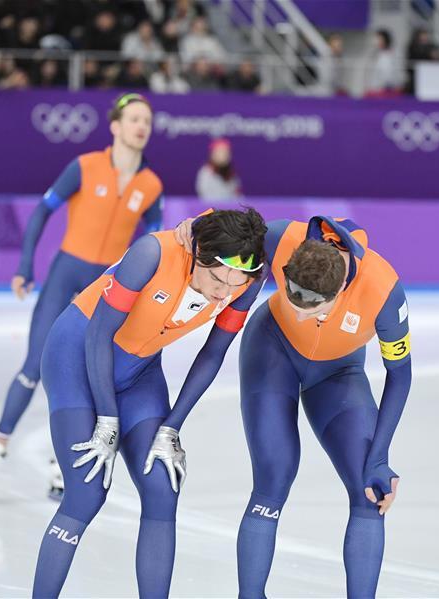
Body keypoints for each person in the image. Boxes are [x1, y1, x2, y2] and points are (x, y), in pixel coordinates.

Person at [32, 208, 267, 598]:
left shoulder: (247, 280)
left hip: (139, 375)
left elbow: (213, 354)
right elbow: (97, 335)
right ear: (198, 252)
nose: (225, 292)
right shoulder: (152, 255)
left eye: (235, 282)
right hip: (77, 358)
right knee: (86, 491)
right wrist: (107, 420)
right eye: (216, 278)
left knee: (162, 488)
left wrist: (172, 426)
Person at [174, 215, 413, 597]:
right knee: (272, 480)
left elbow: (399, 376)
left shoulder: (383, 291)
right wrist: (196, 223)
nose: (302, 316)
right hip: (273, 351)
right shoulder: (286, 237)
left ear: (340, 292)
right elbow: (232, 224)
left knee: (370, 491)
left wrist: (380, 456)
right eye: (293, 299)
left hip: (338, 375)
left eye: (314, 309)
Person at [0, 93, 164, 496]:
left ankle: (63, 463)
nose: (141, 126)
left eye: (147, 120)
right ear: (115, 126)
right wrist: (25, 266)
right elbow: (42, 211)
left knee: (96, 373)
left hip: (107, 289)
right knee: (33, 366)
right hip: (65, 276)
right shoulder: (85, 166)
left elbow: (156, 238)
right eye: (134, 119)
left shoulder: (151, 185)